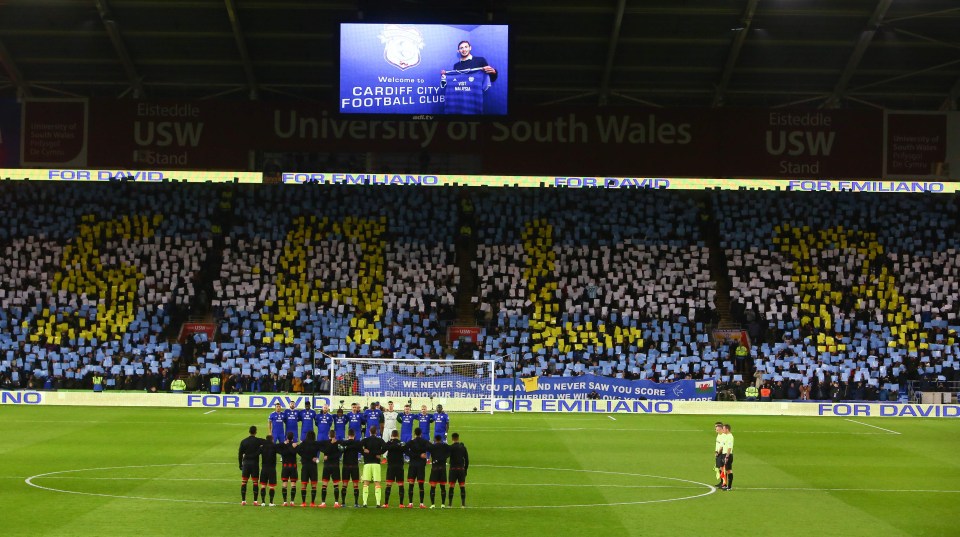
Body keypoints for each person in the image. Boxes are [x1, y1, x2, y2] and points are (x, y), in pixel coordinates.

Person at [359, 423, 387, 507]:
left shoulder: (366, 440)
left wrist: (364, 452)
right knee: (377, 483)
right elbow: (385, 447)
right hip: (376, 464)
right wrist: (379, 453)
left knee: (366, 483)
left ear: (369, 432)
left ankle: (364, 503)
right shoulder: (379, 440)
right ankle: (378, 503)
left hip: (367, 464)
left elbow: (358, 446)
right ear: (377, 432)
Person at [405, 427, 431, 508]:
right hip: (421, 465)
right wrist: (423, 455)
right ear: (421, 434)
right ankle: (421, 504)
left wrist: (413, 455)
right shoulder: (424, 441)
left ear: (414, 433)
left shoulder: (411, 442)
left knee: (411, 484)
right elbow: (431, 447)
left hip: (412, 465)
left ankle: (410, 503)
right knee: (421, 484)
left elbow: (405, 449)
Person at [294, 430, 322, 507]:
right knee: (314, 485)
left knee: (304, 484)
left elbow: (298, 450)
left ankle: (303, 502)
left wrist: (304, 456)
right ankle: (312, 502)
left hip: (305, 466)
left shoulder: (304, 443)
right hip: (313, 466)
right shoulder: (316, 444)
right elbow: (323, 448)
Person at [383, 430, 407, 508]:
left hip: (391, 467)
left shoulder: (389, 443)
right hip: (399, 467)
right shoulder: (401, 443)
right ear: (398, 435)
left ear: (391, 435)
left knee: (389, 484)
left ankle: (386, 504)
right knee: (400, 485)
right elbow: (406, 451)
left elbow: (383, 449)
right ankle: (401, 504)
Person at [318, 430, 341, 508]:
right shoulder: (337, 443)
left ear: (328, 435)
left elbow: (325, 451)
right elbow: (338, 454)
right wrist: (332, 443)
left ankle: (323, 503)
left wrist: (328, 456)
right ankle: (336, 503)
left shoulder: (326, 443)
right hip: (335, 466)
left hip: (327, 466)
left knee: (324, 485)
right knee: (336, 485)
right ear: (335, 435)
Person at [238, 425, 261, 506]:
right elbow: (267, 442)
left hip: (246, 464)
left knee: (244, 482)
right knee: (255, 482)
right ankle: (255, 501)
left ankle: (243, 501)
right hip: (254, 464)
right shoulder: (258, 441)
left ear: (249, 431)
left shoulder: (243, 441)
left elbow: (240, 454)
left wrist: (240, 464)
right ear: (256, 432)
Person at [339, 429, 363, 506]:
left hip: (346, 466)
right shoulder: (357, 443)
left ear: (347, 435)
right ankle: (356, 503)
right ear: (354, 435)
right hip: (355, 466)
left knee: (344, 484)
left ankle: (343, 503)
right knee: (355, 485)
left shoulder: (344, 443)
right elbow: (362, 452)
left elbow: (340, 450)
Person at [427, 434, 451, 508]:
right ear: (441, 439)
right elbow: (450, 451)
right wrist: (444, 457)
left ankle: (432, 504)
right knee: (442, 487)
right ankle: (443, 504)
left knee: (433, 486)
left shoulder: (432, 446)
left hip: (434, 468)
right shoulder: (445, 446)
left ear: (435, 439)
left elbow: (427, 448)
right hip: (442, 468)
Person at [447, 432, 469, 508]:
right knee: (462, 486)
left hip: (453, 469)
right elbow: (467, 460)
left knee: (451, 486)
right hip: (461, 469)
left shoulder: (450, 447)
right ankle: (463, 504)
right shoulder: (463, 447)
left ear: (452, 439)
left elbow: (447, 456)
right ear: (458, 438)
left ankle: (450, 504)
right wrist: (465, 469)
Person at [257, 434, 279, 506]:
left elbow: (256, 453)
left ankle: (263, 502)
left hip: (264, 468)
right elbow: (281, 450)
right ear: (272, 439)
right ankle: (271, 502)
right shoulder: (274, 446)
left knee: (263, 485)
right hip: (272, 469)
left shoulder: (262, 447)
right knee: (271, 486)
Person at [278, 431, 299, 506]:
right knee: (293, 484)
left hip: (285, 467)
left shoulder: (283, 446)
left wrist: (283, 444)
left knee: (284, 484)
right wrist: (295, 445)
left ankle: (285, 502)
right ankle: (292, 502)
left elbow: (276, 447)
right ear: (293, 437)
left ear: (286, 437)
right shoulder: (295, 445)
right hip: (293, 467)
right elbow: (298, 451)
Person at [721, 423, 735, 490]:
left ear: (727, 429)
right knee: (726, 470)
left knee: (729, 470)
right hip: (725, 454)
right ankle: (726, 485)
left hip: (728, 455)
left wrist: (727, 457)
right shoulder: (726, 436)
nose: (722, 430)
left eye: (723, 429)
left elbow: (729, 447)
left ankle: (729, 486)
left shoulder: (730, 437)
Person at [713, 421, 725, 487]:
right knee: (719, 468)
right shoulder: (718, 435)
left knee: (722, 468)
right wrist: (715, 451)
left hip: (721, 454)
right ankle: (721, 482)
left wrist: (718, 452)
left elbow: (722, 446)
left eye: (716, 427)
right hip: (718, 453)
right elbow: (717, 444)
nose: (715, 429)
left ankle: (723, 482)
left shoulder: (723, 435)